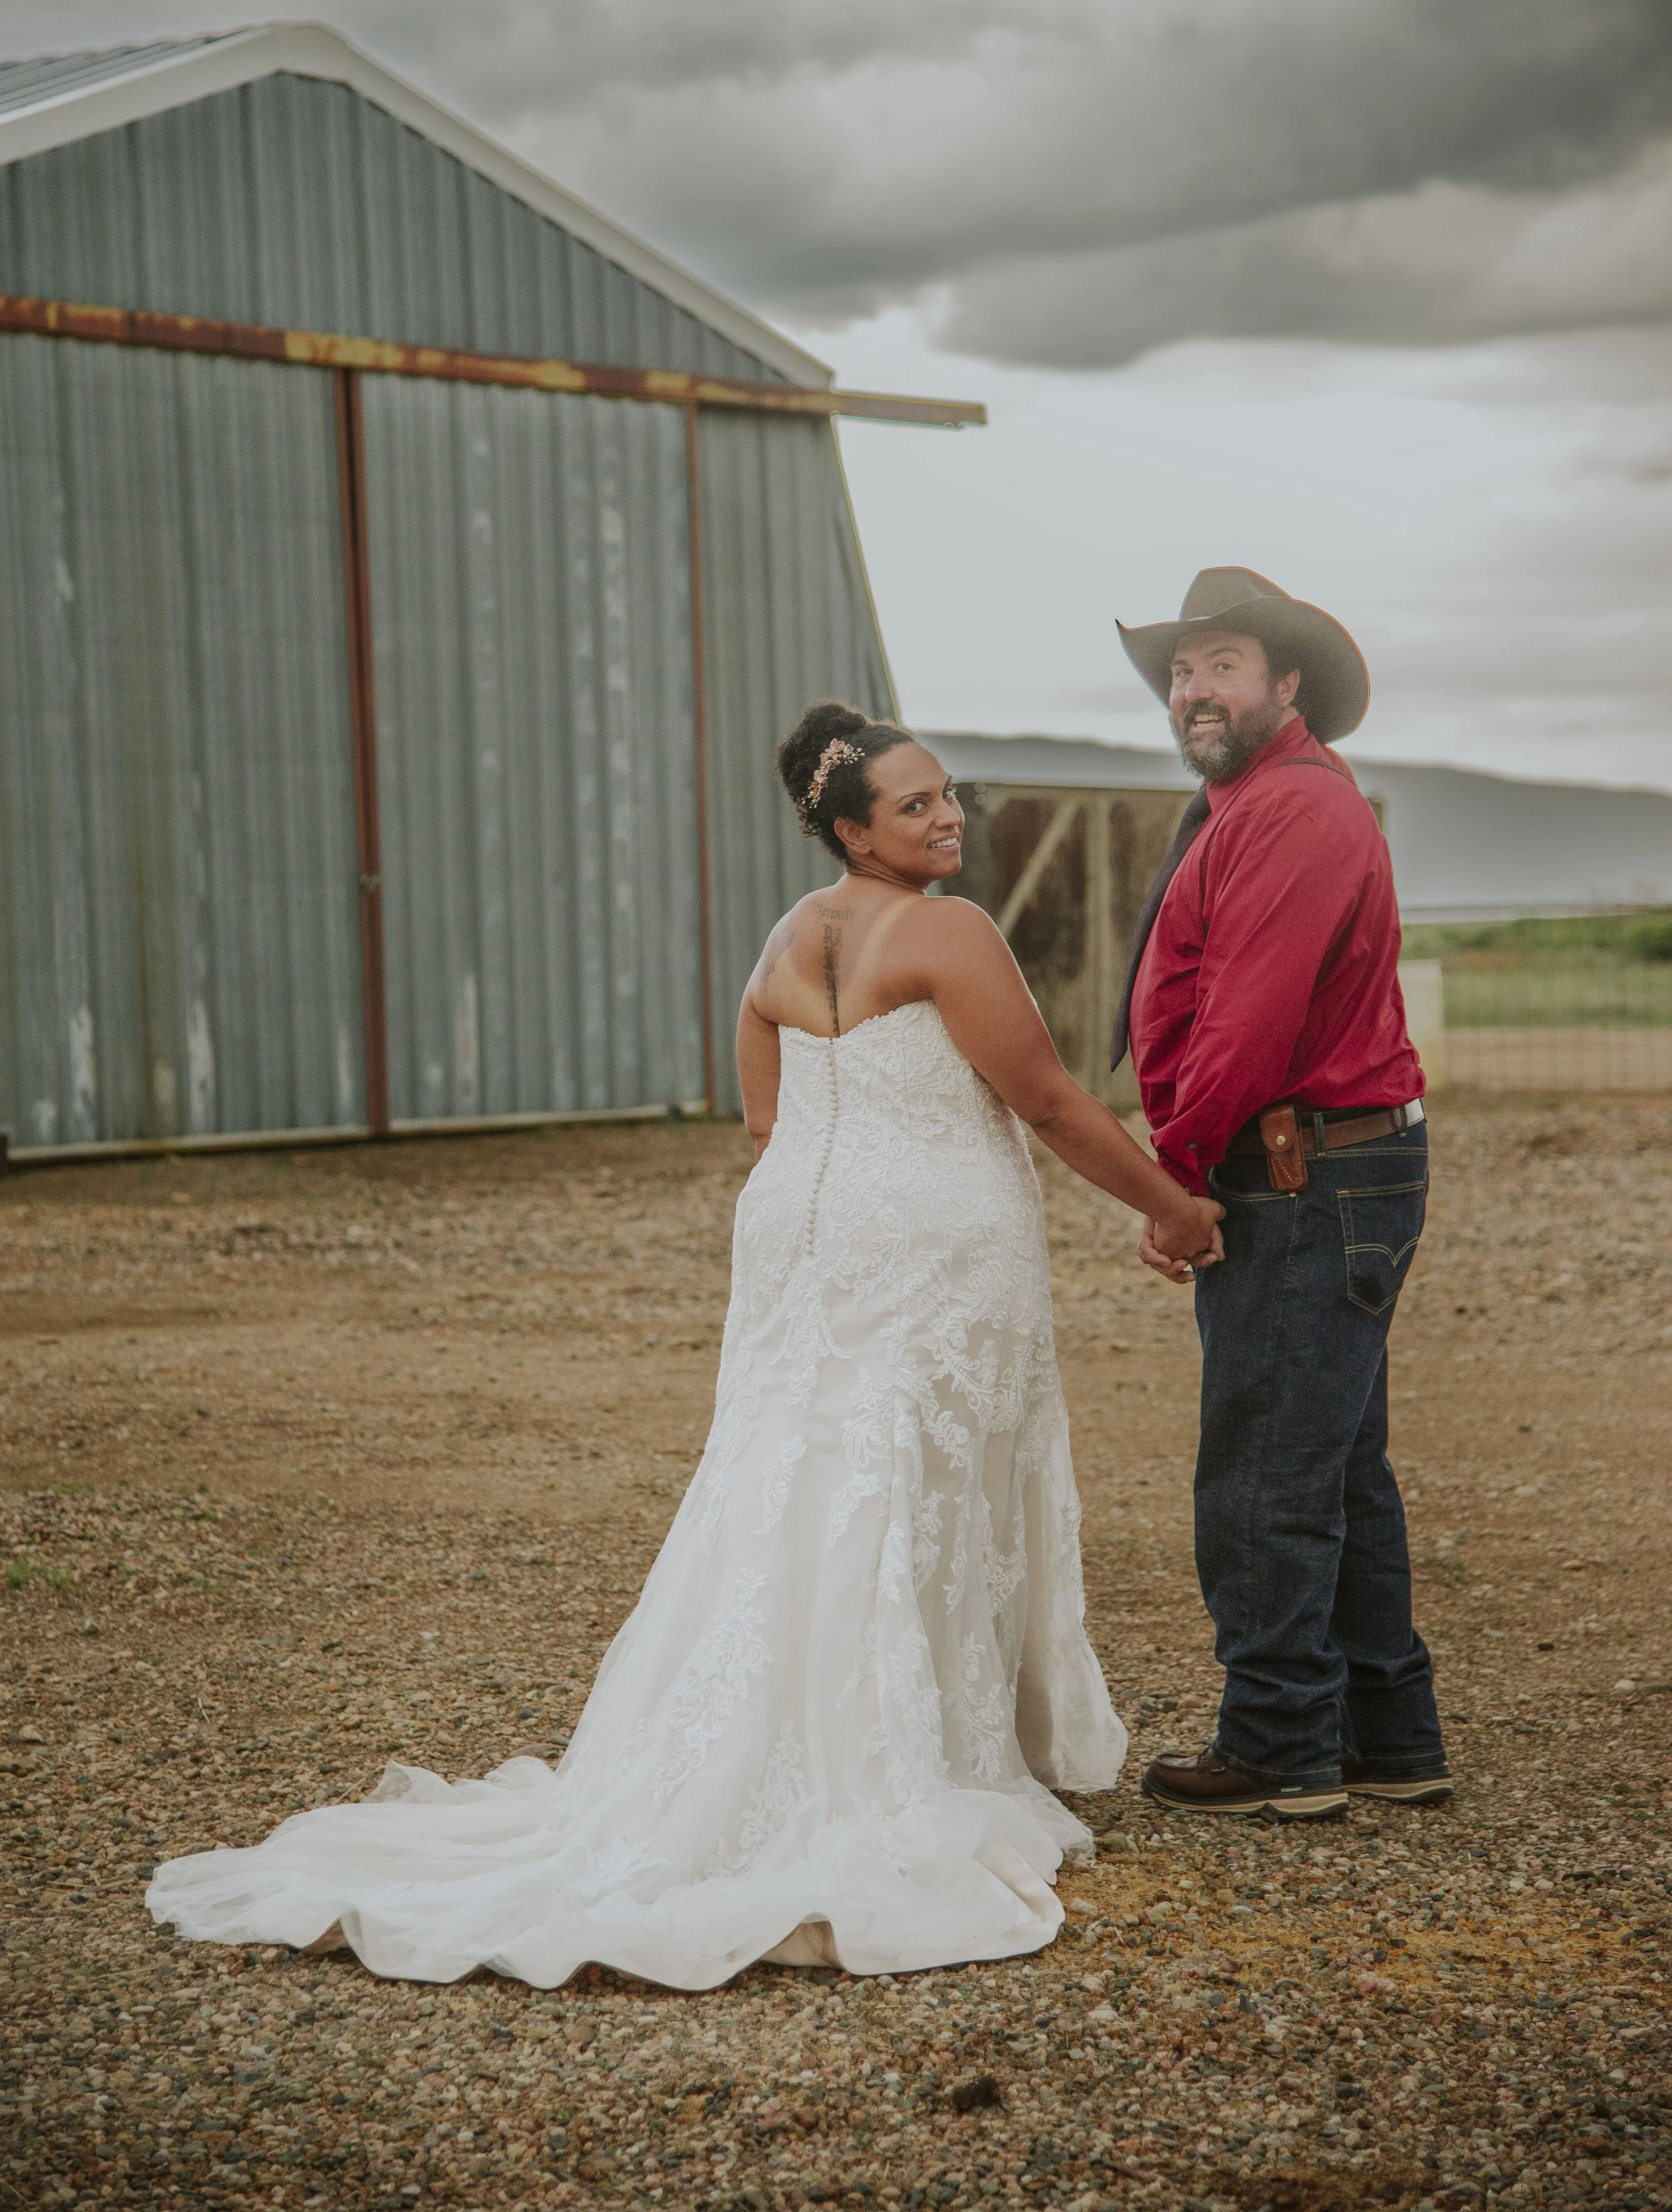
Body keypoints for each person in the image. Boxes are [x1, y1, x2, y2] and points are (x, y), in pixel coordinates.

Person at [148, 704, 1221, 1988]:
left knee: (792, 1475)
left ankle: (759, 1743)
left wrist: (829, 1168)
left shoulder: (787, 935)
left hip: (800, 1237)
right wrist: (1174, 1206)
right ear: (852, 831)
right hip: (926, 1247)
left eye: (948, 797)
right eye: (917, 806)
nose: (949, 819)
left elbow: (767, 1112)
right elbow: (1043, 1097)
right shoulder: (948, 930)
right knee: (900, 1480)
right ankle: (888, 1765)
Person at [1110, 565, 1450, 1820]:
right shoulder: (1252, 800)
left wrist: (1174, 1177)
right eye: (1183, 672)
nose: (1196, 690)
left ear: (1285, 684)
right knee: (1333, 1462)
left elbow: (1249, 1022)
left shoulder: (1292, 809)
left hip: (1303, 1166)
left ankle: (1279, 1745)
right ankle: (1389, 1737)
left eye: (1224, 667)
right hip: (1323, 1160)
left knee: (1264, 1469)